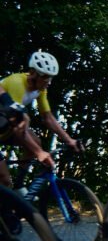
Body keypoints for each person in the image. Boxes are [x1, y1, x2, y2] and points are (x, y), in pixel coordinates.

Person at [0, 51, 84, 188]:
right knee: (5, 180)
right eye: (45, 77)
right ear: (33, 73)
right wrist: (39, 153)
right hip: (6, 125)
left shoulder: (40, 89)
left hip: (3, 127)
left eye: (50, 77)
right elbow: (16, 124)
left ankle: (19, 186)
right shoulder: (17, 83)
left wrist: (69, 140)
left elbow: (48, 117)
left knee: (36, 142)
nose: (48, 81)